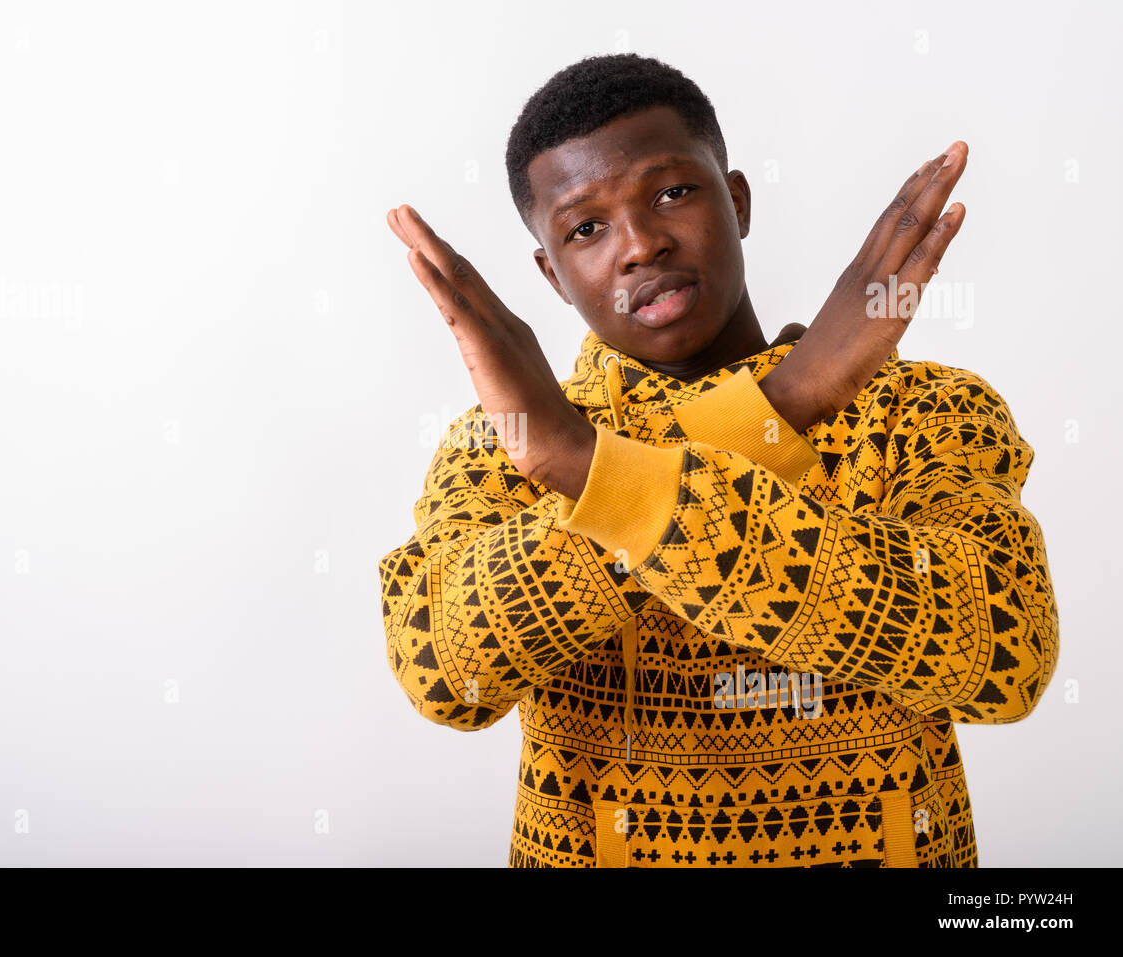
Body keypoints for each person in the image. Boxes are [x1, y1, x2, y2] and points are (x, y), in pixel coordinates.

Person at [377, 53, 1058, 868]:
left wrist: (588, 473)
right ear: (551, 275)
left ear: (735, 200)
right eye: (584, 228)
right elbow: (449, 676)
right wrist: (781, 408)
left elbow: (1006, 656)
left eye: (672, 192)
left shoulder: (922, 409)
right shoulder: (502, 442)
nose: (640, 245)